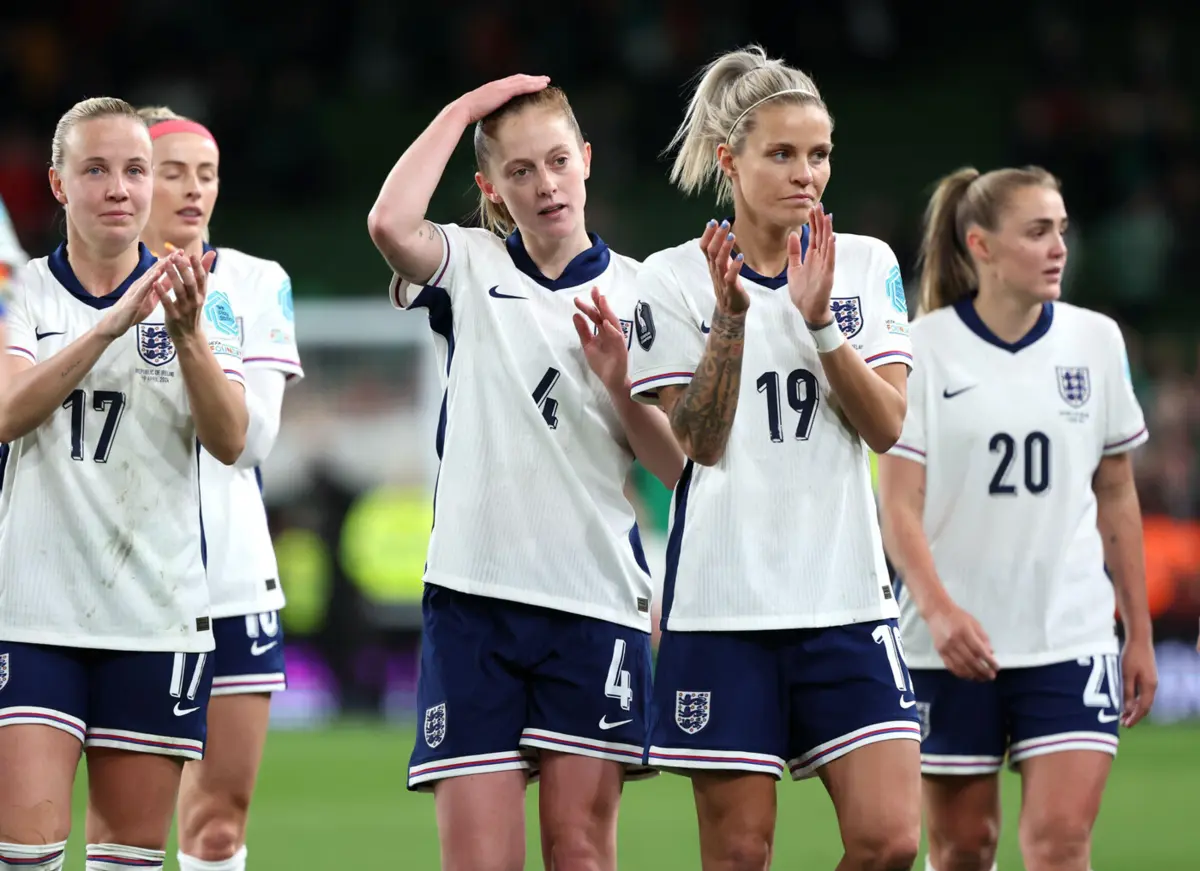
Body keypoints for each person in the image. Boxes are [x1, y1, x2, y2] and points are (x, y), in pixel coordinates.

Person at [367, 76, 684, 871]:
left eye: (556, 161)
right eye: (518, 171)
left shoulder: (645, 292)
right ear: (491, 188)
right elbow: (388, 222)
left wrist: (618, 381)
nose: (544, 185)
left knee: (579, 852)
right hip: (473, 601)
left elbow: (678, 466)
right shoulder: (467, 266)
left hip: (593, 601)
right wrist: (459, 111)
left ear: (585, 160)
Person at [628, 46, 921, 871]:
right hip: (724, 608)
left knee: (892, 839)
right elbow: (700, 443)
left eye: (819, 154)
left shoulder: (864, 265)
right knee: (740, 854)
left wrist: (822, 322)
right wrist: (731, 320)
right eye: (782, 153)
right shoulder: (674, 279)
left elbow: (889, 426)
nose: (807, 174)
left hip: (845, 597)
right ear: (730, 160)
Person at [877, 166, 1158, 871]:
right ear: (982, 245)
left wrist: (1139, 629)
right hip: (949, 646)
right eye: (1037, 231)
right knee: (963, 847)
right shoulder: (924, 347)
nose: (1059, 246)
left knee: (1059, 843)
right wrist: (939, 612)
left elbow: (1117, 492)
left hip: (1070, 632)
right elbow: (897, 505)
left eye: (1061, 230)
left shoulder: (1097, 342)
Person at [0, 97, 247, 871]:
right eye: (96, 169)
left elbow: (231, 438)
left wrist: (187, 337)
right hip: (34, 611)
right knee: (24, 847)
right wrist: (106, 325)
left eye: (134, 170)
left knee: (127, 859)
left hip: (154, 616)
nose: (119, 187)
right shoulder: (24, 294)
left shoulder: (205, 299)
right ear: (58, 184)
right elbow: (8, 411)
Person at [137, 105, 305, 871]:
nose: (193, 190)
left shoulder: (257, 282)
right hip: (116, 586)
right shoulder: (74, 290)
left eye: (205, 175)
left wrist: (193, 332)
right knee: (124, 826)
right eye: (172, 172)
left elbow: (253, 441)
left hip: (232, 582)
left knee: (216, 827)